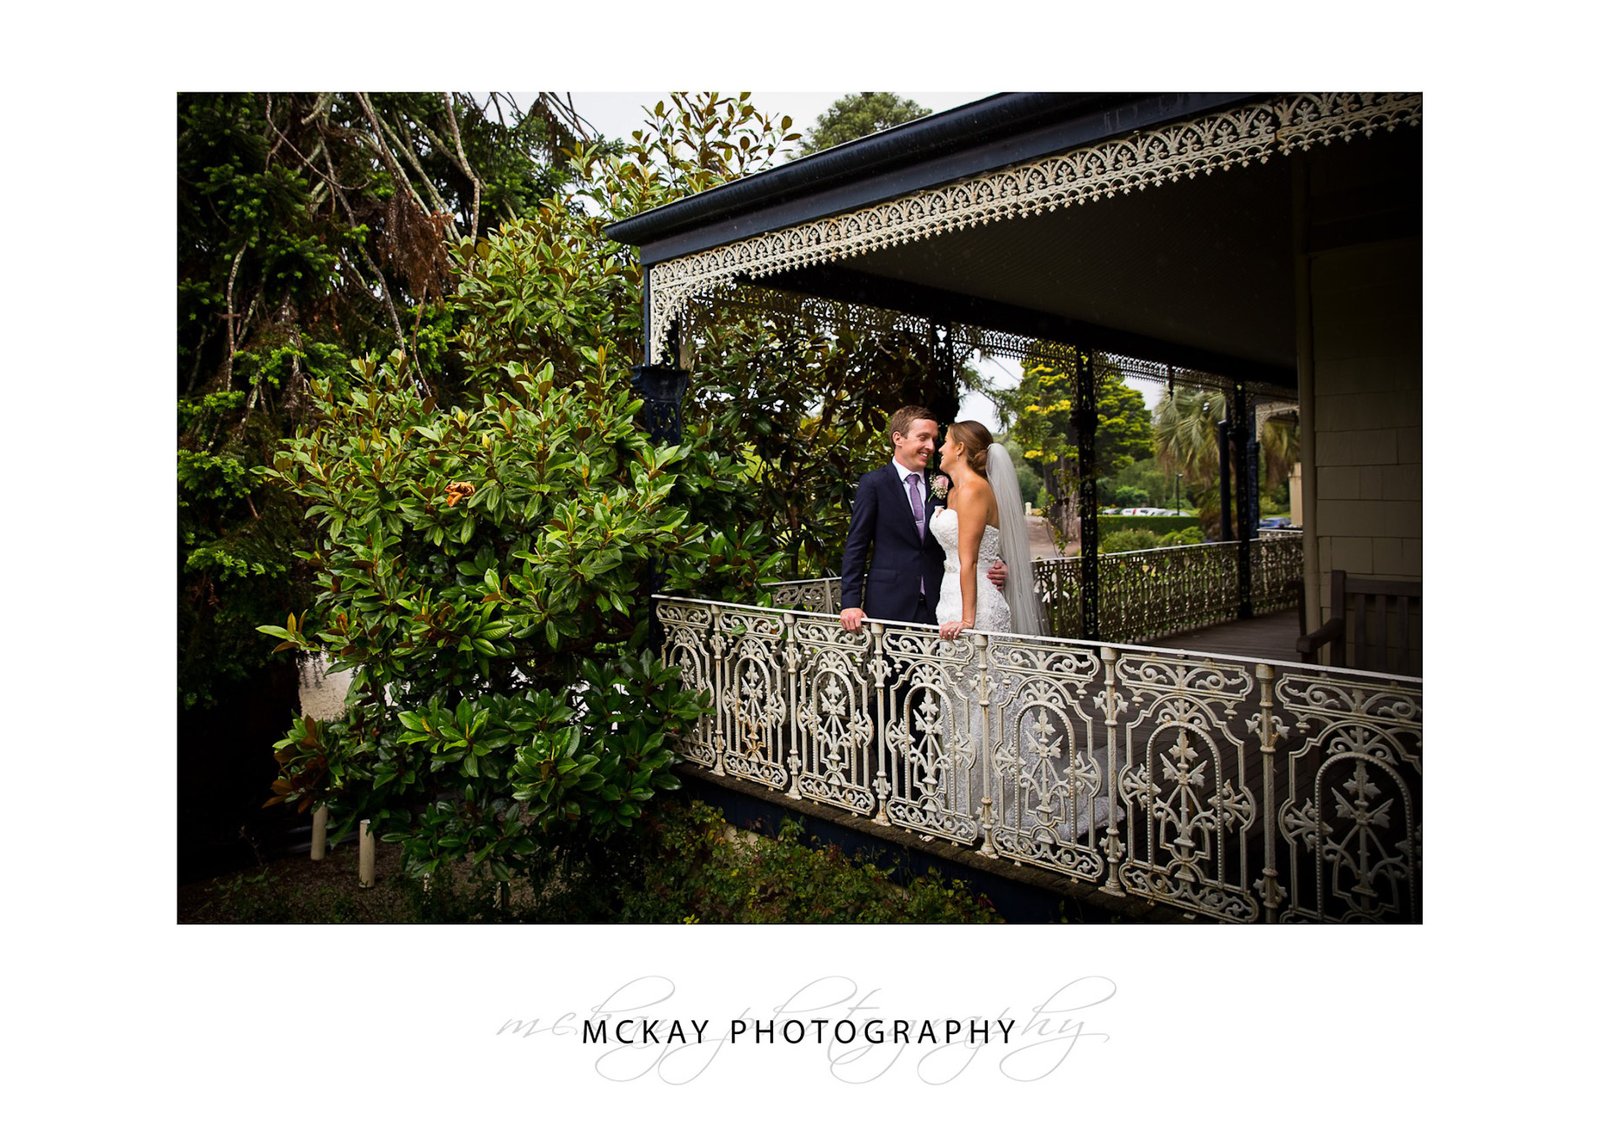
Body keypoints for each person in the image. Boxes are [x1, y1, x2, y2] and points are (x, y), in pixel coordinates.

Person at [839, 406, 1006, 632]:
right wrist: (850, 604)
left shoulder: (947, 483)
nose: (931, 447)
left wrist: (1000, 565)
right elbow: (856, 546)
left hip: (942, 603)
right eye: (923, 438)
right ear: (898, 438)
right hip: (889, 606)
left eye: (935, 439)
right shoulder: (874, 484)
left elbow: (975, 531)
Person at [931, 420, 1043, 640]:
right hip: (950, 595)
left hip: (976, 603)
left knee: (983, 672)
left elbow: (970, 560)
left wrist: (967, 621)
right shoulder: (954, 492)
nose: (940, 449)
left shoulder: (974, 490)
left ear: (960, 448)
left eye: (945, 442)